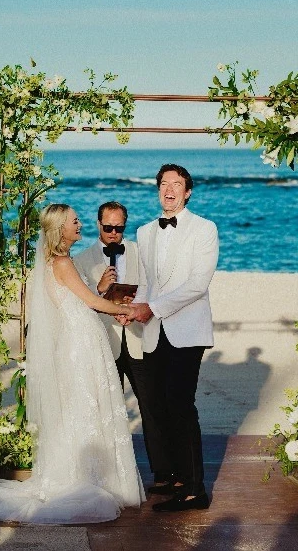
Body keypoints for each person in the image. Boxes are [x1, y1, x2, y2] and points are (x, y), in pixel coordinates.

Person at [0, 204, 144, 523]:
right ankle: (89, 479)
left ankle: (88, 474)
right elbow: (92, 303)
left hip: (80, 338)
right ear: (60, 229)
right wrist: (128, 310)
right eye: (74, 221)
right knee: (87, 407)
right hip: (80, 343)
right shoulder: (64, 262)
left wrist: (105, 301)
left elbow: (81, 300)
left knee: (84, 408)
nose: (80, 224)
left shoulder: (55, 262)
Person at [131, 164, 218, 512]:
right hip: (153, 333)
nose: (169, 190)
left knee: (181, 406)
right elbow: (146, 283)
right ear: (158, 190)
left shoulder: (204, 228)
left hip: (187, 330)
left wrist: (152, 307)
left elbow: (198, 284)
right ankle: (177, 478)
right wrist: (131, 307)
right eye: (164, 184)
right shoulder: (144, 231)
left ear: (188, 192)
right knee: (160, 407)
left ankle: (196, 489)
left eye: (176, 184)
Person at [74, 201, 170, 490]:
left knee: (151, 407)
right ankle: (108, 475)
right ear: (98, 224)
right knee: (107, 410)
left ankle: (163, 473)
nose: (114, 233)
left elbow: (156, 288)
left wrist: (136, 308)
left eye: (119, 228)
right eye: (108, 227)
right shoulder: (81, 260)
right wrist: (100, 289)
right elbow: (78, 303)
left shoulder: (141, 253)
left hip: (139, 338)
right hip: (104, 343)